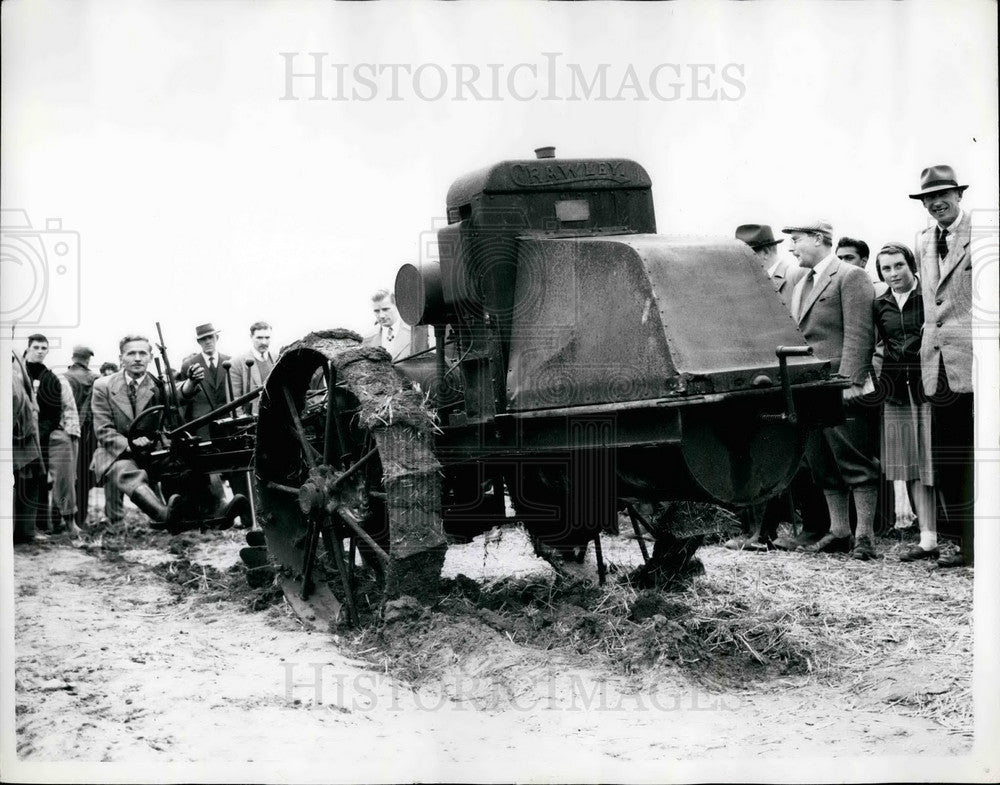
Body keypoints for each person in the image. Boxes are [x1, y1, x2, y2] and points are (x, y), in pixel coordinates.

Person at [776, 220, 880, 561]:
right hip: (809, 388)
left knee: (854, 459)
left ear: (819, 239)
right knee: (822, 461)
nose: (792, 247)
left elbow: (860, 333)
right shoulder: (800, 280)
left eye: (796, 240)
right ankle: (839, 531)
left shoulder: (850, 276)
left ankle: (865, 535)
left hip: (839, 385)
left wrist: (851, 382)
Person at [910, 164, 975, 568]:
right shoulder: (922, 241)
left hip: (976, 364)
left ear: (959, 195)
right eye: (928, 198)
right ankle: (962, 544)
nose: (936, 203)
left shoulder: (984, 236)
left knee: (978, 457)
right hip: (937, 367)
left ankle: (979, 546)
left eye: (943, 195)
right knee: (949, 458)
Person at [91, 334, 202, 526]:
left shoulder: (157, 383)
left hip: (152, 450)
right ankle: (162, 515)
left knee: (190, 459)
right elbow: (103, 429)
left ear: (150, 357)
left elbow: (175, 393)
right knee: (125, 471)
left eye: (142, 353)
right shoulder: (103, 386)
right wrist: (129, 444)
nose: (137, 358)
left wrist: (191, 382)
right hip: (117, 453)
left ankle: (210, 510)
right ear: (121, 358)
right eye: (131, 353)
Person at [872, 242, 938, 561]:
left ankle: (955, 533)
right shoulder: (880, 303)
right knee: (909, 463)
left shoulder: (928, 296)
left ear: (910, 265)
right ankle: (927, 539)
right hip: (896, 392)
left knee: (934, 460)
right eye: (886, 268)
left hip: (929, 389)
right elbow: (877, 346)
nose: (894, 273)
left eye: (899, 265)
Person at [23, 333, 79, 536]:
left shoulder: (53, 378)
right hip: (24, 434)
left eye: (43, 348)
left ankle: (68, 518)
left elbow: (63, 408)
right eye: (36, 347)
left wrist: (62, 432)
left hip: (52, 431)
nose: (39, 351)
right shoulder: (16, 372)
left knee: (64, 477)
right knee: (30, 479)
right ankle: (34, 525)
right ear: (28, 348)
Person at [11, 352, 48, 544]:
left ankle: (25, 532)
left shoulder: (15, 355)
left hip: (26, 434)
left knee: (30, 482)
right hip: (14, 435)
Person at [63, 345, 100, 527]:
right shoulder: (95, 378)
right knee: (83, 479)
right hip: (87, 435)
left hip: (65, 432)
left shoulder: (63, 378)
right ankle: (80, 519)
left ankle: (59, 519)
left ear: (73, 358)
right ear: (88, 360)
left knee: (65, 477)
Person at [178, 323, 232, 436]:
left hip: (228, 422)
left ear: (217, 338)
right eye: (203, 339)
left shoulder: (230, 361)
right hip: (202, 424)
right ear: (198, 342)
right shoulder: (189, 364)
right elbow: (184, 400)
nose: (207, 341)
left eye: (210, 337)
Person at [362, 289, 430, 361]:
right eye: (377, 311)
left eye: (385, 309)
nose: (381, 316)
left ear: (397, 306)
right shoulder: (367, 339)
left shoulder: (417, 332)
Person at [230, 320, 275, 416]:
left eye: (267, 338)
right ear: (251, 337)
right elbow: (234, 399)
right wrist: (242, 425)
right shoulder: (237, 363)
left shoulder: (276, 358)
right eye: (259, 338)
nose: (264, 342)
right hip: (253, 422)